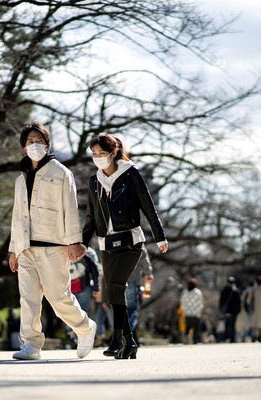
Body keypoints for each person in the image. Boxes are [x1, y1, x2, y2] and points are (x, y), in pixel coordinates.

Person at [8, 122, 96, 361]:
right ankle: (31, 345)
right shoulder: (20, 180)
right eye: (29, 142)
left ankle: (85, 328)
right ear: (24, 149)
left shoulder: (61, 173)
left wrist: (75, 241)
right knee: (28, 298)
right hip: (25, 248)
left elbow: (70, 206)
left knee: (58, 297)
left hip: (54, 247)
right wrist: (13, 249)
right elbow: (17, 215)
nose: (34, 145)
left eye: (38, 140)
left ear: (47, 144)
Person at [82, 134, 167, 359]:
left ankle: (117, 339)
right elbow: (90, 217)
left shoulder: (130, 174)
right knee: (113, 290)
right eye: (94, 154)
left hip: (131, 240)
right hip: (106, 243)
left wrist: (160, 237)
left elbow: (148, 207)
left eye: (102, 153)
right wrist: (81, 244)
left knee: (116, 284)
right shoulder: (94, 181)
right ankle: (130, 343)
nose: (98, 158)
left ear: (113, 153)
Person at [67, 247, 100, 344]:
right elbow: (95, 270)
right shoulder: (88, 252)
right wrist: (96, 287)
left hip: (69, 287)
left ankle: (72, 331)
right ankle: (79, 336)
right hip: (84, 286)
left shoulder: (65, 250)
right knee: (83, 311)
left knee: (69, 310)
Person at [126, 246, 154, 335]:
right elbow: (144, 258)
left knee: (120, 309)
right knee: (132, 309)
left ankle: (120, 334)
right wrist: (148, 273)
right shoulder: (137, 240)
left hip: (116, 279)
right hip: (132, 278)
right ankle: (127, 334)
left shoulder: (114, 236)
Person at [180, 278, 204, 344]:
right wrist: (199, 311)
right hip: (195, 313)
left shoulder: (184, 292)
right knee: (196, 328)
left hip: (187, 313)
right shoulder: (197, 293)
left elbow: (182, 302)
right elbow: (200, 303)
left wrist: (184, 310)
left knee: (187, 327)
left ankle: (186, 337)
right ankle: (195, 340)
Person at [219, 277, 241, 343]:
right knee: (233, 324)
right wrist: (239, 310)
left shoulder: (224, 290)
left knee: (227, 324)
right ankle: (232, 338)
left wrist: (221, 309)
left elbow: (221, 301)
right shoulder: (236, 291)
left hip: (226, 310)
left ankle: (227, 337)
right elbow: (239, 302)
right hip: (234, 311)